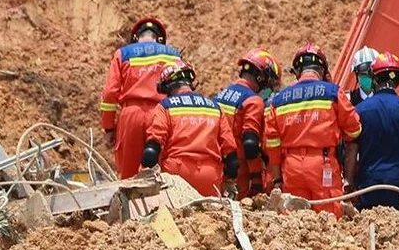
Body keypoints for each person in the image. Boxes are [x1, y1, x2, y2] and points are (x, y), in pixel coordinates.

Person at [264, 44, 362, 218]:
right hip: (322, 165)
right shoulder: (332, 92)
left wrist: (278, 179)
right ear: (323, 70)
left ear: (297, 71)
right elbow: (354, 130)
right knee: (328, 220)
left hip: (291, 167)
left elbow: (272, 143)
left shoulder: (278, 100)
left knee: (294, 222)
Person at [101, 17, 182, 178]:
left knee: (129, 175)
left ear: (136, 37)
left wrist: (108, 127)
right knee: (160, 174)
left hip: (131, 116)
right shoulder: (173, 55)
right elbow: (181, 88)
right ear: (160, 39)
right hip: (162, 116)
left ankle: (130, 203)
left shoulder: (123, 54)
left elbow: (110, 93)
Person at [142, 60, 238, 197]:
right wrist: (229, 182)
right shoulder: (215, 108)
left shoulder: (166, 107)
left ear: (167, 86)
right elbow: (231, 156)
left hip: (176, 176)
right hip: (210, 177)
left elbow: (151, 151)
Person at [345, 52, 399, 208]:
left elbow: (352, 150)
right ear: (398, 80)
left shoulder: (360, 111)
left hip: (369, 184)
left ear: (374, 78)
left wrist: (349, 183)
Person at [215, 49, 281, 199]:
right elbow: (250, 144)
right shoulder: (253, 101)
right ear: (261, 76)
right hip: (240, 172)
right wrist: (256, 178)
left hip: (219, 167)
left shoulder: (220, 96)